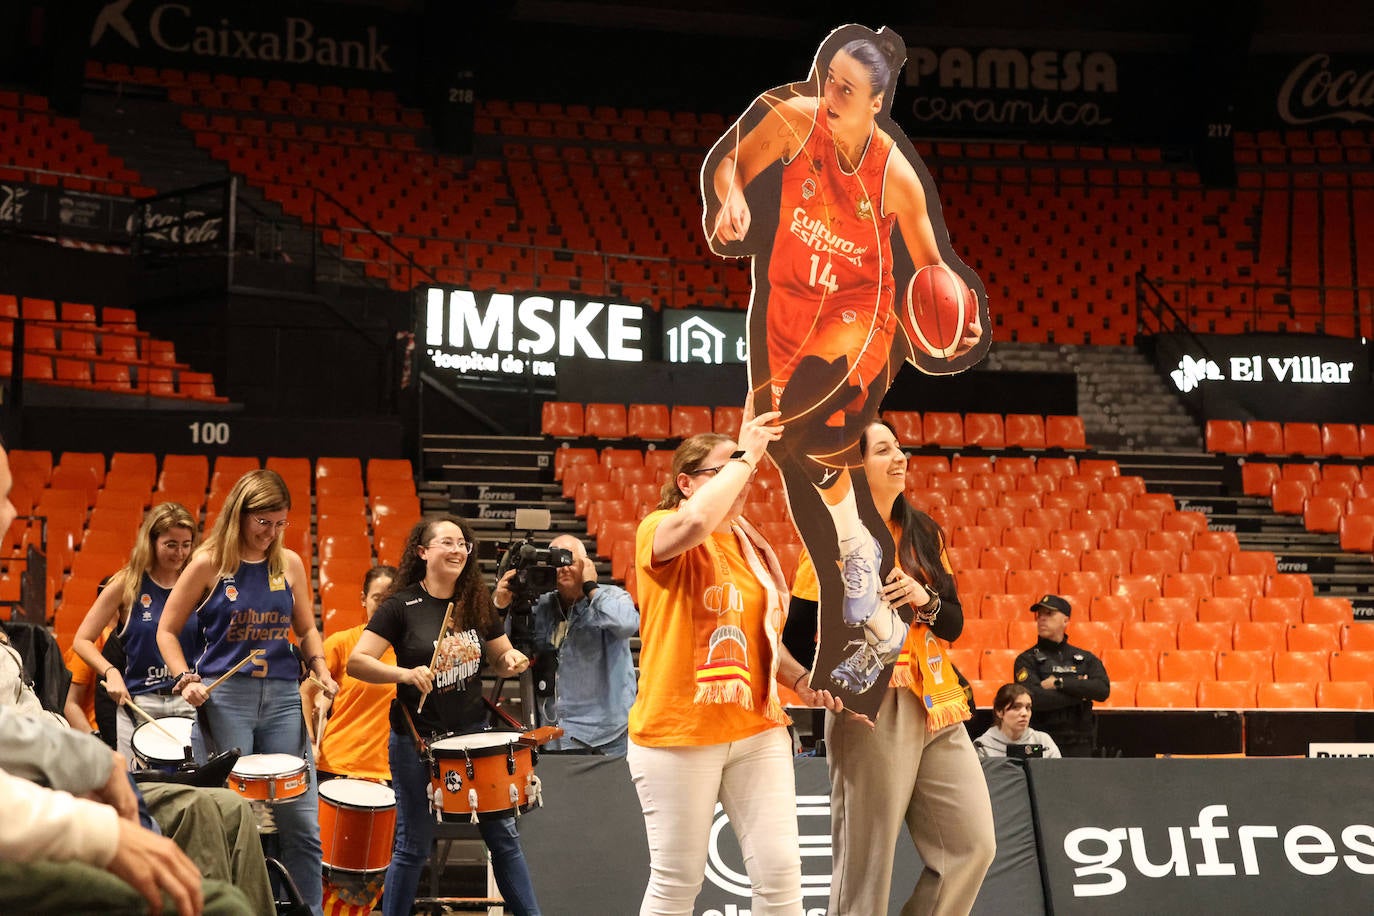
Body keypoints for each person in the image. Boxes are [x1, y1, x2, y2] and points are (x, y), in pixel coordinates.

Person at [705, 27, 985, 701]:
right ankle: (857, 553)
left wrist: (958, 320)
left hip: (859, 314)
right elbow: (727, 165)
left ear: (877, 102)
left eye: (846, 89)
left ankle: (857, 556)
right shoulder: (793, 119)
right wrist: (732, 196)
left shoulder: (896, 176)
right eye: (826, 78)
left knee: (812, 404)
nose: (829, 94)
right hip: (785, 311)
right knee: (774, 432)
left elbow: (932, 270)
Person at [630, 417, 842, 915]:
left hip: (757, 727)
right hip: (679, 731)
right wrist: (748, 452)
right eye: (726, 471)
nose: (744, 481)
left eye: (747, 472)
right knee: (677, 883)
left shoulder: (749, 545)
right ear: (686, 482)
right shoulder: (660, 527)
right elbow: (696, 523)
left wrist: (801, 679)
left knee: (781, 874)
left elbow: (760, 638)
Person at [782, 419, 995, 915]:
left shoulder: (924, 530)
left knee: (973, 846)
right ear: (856, 467)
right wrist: (818, 687)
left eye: (899, 447)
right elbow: (794, 638)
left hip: (938, 701)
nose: (900, 456)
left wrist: (925, 599)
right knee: (866, 868)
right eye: (883, 450)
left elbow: (954, 625)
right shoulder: (827, 537)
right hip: (869, 705)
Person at [156, 468, 338, 916]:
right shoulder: (208, 563)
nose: (271, 533)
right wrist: (187, 678)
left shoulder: (289, 562)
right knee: (228, 821)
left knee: (302, 824)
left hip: (281, 700)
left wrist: (319, 666)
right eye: (264, 523)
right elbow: (166, 631)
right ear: (240, 514)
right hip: (226, 699)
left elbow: (308, 627)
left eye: (280, 524)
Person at [347, 515, 541, 916]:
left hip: (471, 738)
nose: (458, 550)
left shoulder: (475, 602)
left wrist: (511, 660)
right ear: (423, 552)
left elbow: (499, 659)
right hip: (416, 741)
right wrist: (404, 673)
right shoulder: (400, 606)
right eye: (447, 543)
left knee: (503, 837)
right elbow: (357, 662)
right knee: (412, 845)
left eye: (463, 544)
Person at [0, 705, 260, 916]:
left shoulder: (22, 648)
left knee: (233, 805)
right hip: (33, 797)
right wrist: (101, 830)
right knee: (220, 904)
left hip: (60, 779)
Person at [72, 503, 199, 763]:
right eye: (171, 544)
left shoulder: (198, 583)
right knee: (140, 794)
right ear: (151, 542)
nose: (180, 553)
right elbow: (81, 640)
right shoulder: (126, 584)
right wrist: (111, 671)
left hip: (188, 703)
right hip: (139, 705)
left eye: (186, 544)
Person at [523, 534, 638, 757]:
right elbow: (510, 644)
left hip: (607, 736)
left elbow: (626, 625)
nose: (563, 568)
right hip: (552, 734)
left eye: (569, 560)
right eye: (556, 562)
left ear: (586, 565)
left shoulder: (611, 596)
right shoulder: (543, 605)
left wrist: (590, 586)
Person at [303, 564, 398, 782]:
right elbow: (305, 694)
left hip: (393, 768)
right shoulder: (341, 643)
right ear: (363, 599)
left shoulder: (410, 649)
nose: (384, 607)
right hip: (339, 763)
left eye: (390, 600)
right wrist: (311, 741)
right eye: (377, 598)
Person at [1013, 594, 1111, 758]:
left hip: (1080, 743)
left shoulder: (1086, 658)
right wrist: (1081, 693)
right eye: (1040, 615)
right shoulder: (1026, 659)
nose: (1041, 619)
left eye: (1049, 614)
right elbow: (1034, 698)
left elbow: (1102, 690)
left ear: (1065, 621)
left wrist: (1060, 683)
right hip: (1040, 741)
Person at [974, 683, 1063, 759]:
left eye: (1028, 708)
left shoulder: (1043, 740)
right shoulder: (982, 745)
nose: (1024, 713)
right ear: (999, 712)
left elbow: (1058, 774)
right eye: (1016, 707)